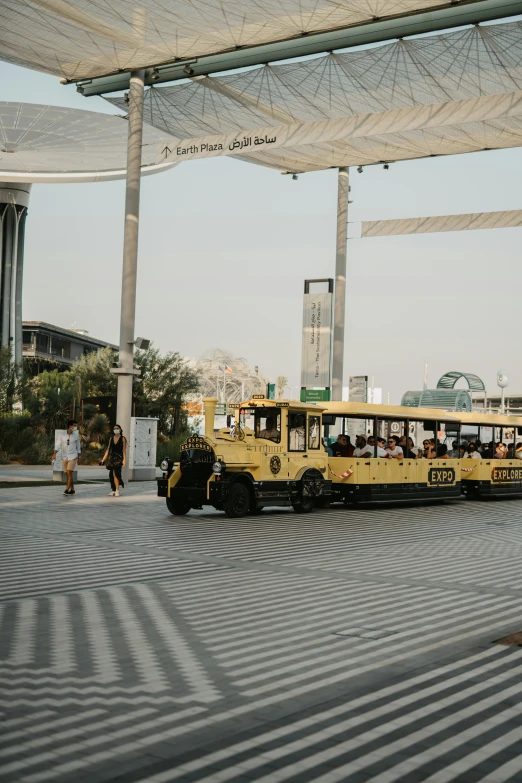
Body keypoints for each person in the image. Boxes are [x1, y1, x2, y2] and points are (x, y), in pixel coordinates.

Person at [52, 419, 81, 496]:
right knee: (68, 474)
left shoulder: (76, 436)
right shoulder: (62, 435)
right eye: (74, 425)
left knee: (69, 472)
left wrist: (79, 457)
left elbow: (78, 447)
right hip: (64, 456)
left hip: (73, 456)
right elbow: (57, 445)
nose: (75, 427)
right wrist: (54, 454)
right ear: (70, 426)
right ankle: (73, 489)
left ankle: (66, 489)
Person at [101, 424, 127, 497]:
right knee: (111, 475)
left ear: (120, 429)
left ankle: (117, 490)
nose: (116, 429)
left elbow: (124, 450)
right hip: (112, 457)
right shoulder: (111, 438)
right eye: (114, 428)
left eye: (117, 428)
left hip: (119, 457)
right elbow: (108, 449)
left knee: (116, 474)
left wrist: (124, 460)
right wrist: (103, 459)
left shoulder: (123, 438)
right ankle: (113, 489)